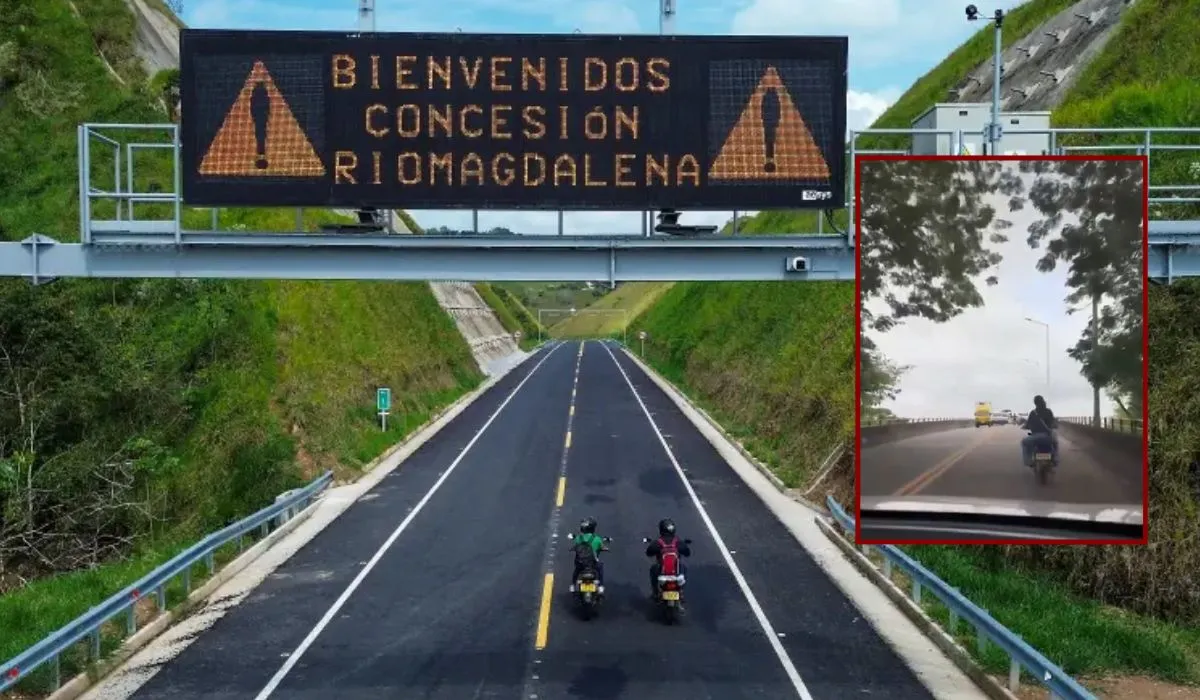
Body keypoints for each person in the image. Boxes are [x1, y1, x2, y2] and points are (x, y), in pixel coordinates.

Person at [645, 518, 691, 600]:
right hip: (677, 575)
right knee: (684, 567)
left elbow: (649, 553)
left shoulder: (658, 543)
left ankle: (655, 592)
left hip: (662, 575)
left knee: (653, 569)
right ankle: (681, 592)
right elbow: (687, 553)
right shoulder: (677, 542)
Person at [1021, 395, 1059, 467]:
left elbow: (1028, 424)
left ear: (1035, 403)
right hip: (1047, 437)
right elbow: (1053, 422)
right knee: (1055, 443)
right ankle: (1055, 458)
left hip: (1035, 437)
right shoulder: (1048, 411)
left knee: (1024, 442)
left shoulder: (1033, 412)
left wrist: (1025, 426)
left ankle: (1029, 461)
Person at [571, 517, 607, 588]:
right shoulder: (597, 539)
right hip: (592, 563)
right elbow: (602, 547)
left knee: (576, 570)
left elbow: (575, 546)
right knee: (600, 568)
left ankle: (572, 585)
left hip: (580, 563)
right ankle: (601, 586)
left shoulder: (578, 538)